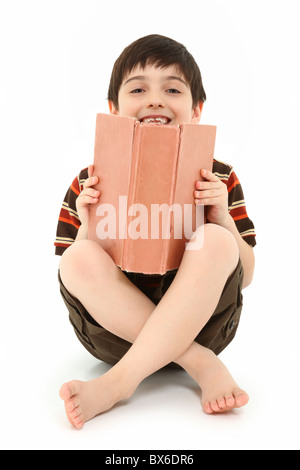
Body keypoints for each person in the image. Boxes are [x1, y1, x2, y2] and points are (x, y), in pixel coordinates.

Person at [55, 34, 256, 429]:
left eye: (172, 89)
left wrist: (223, 219)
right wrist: (88, 223)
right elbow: (75, 275)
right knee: (76, 257)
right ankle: (198, 362)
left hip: (204, 324)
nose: (154, 99)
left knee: (216, 240)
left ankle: (117, 385)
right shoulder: (88, 180)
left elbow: (245, 277)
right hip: (115, 338)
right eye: (138, 88)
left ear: (196, 110)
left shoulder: (219, 177)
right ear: (113, 109)